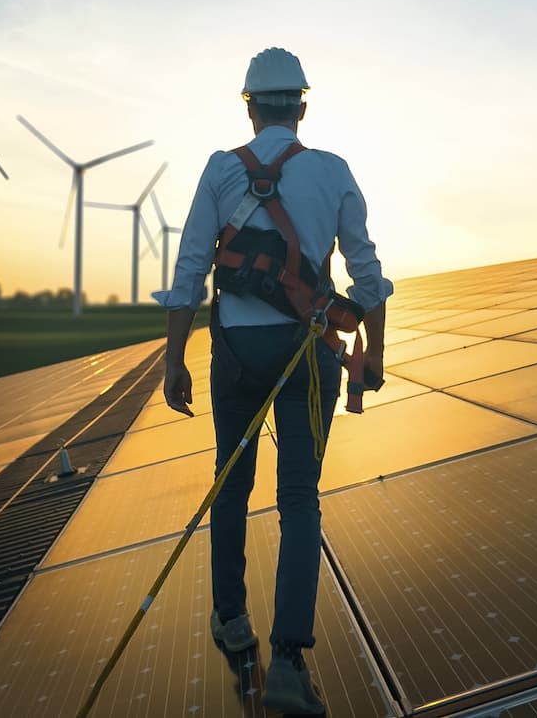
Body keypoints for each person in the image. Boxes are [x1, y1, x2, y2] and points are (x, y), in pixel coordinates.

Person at [153, 47, 391, 714]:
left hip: (233, 353)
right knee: (298, 500)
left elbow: (189, 269)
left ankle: (231, 619)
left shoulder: (220, 169)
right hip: (304, 353)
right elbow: (368, 278)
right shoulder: (332, 171)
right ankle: (288, 663)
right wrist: (372, 351)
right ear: (303, 107)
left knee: (231, 486)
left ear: (250, 108)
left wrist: (173, 363)